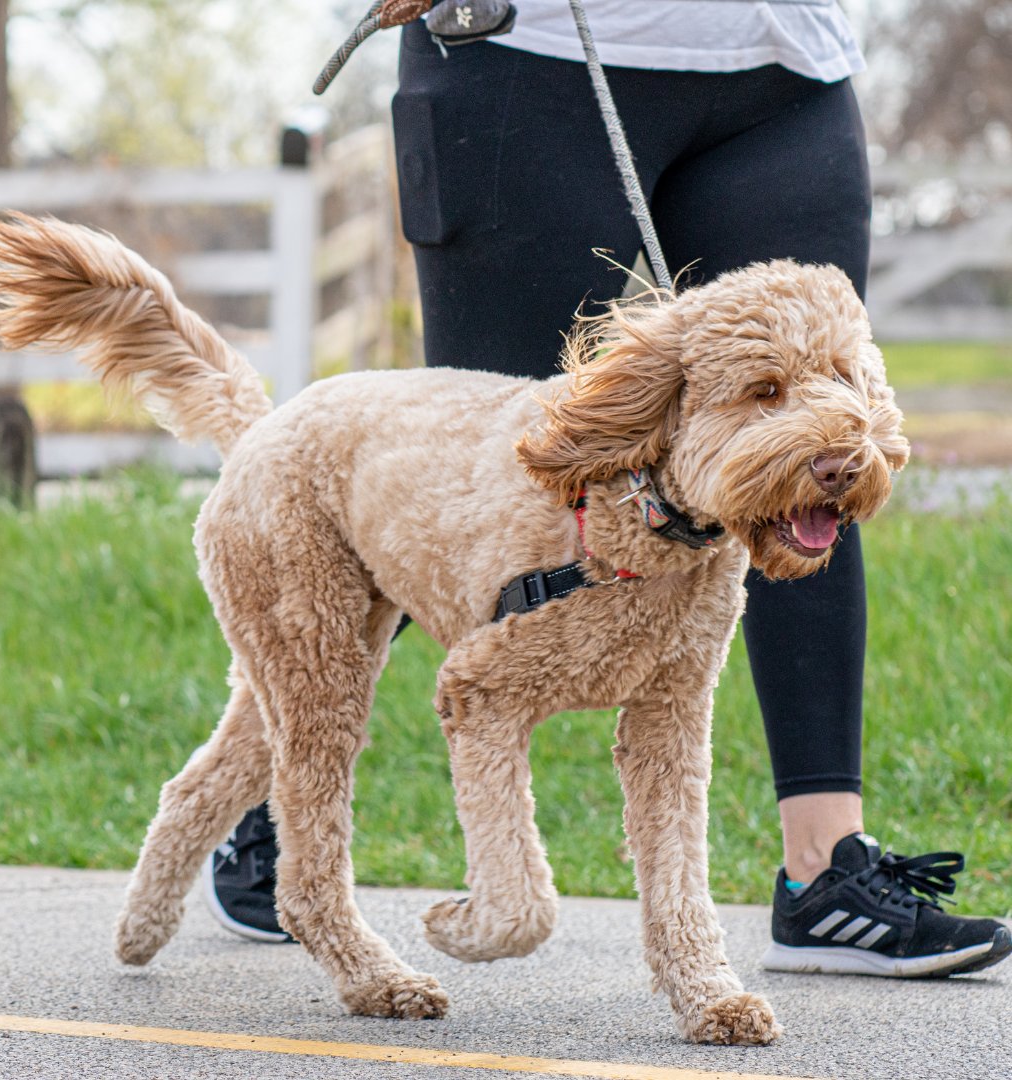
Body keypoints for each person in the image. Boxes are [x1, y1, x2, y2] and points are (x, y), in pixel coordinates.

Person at [204, 0, 1010, 976]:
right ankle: (266, 801)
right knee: (478, 488)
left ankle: (822, 872)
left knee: (802, 456)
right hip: (530, 51)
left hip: (784, 63)